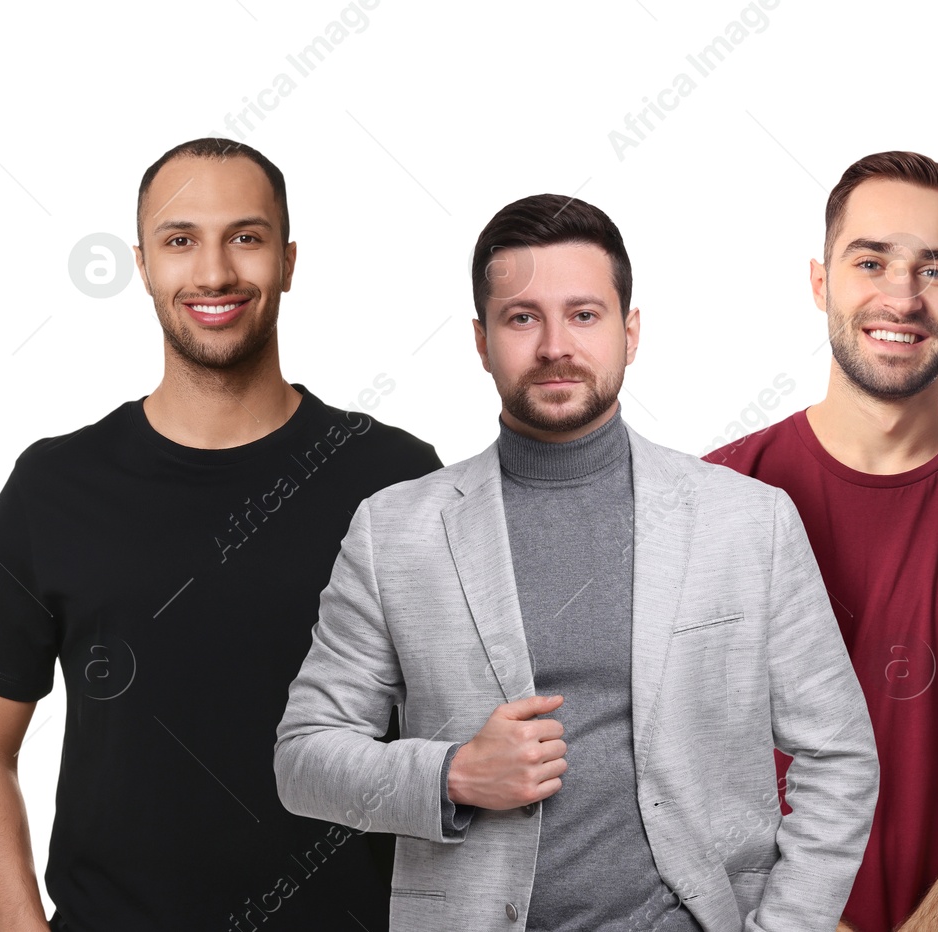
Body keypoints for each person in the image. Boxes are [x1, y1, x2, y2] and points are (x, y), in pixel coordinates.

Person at [273, 193, 879, 931]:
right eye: (523, 317)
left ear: (630, 332)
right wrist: (453, 773)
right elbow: (304, 758)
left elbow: (840, 759)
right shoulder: (397, 530)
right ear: (480, 339)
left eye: (584, 315)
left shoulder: (747, 522)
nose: (555, 344)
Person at [0, 138, 440, 931]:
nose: (213, 272)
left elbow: (450, 741)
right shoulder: (54, 487)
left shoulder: (393, 476)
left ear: (288, 260)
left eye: (246, 237)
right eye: (181, 241)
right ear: (143, 265)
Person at [705, 151, 938, 932]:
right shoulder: (710, 502)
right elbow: (651, 754)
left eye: (935, 270)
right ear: (820, 280)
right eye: (872, 261)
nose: (902, 296)